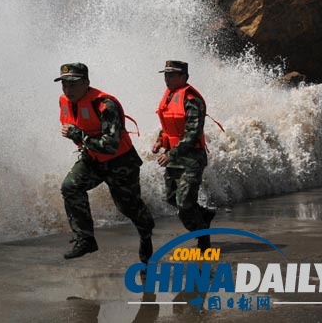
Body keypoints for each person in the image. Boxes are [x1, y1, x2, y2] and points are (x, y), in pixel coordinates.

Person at [57, 63, 155, 262]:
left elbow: (110, 146)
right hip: (92, 158)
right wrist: (80, 139)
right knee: (70, 187)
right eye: (64, 84)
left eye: (73, 84)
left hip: (120, 162)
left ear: (86, 83)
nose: (68, 89)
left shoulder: (105, 105)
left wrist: (78, 135)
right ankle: (85, 239)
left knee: (128, 208)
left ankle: (146, 232)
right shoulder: (65, 101)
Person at [152, 60, 216, 250]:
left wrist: (171, 154)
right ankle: (205, 215)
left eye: (172, 75)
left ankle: (203, 238)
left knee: (185, 204)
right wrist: (160, 141)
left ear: (183, 77)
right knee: (172, 198)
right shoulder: (170, 96)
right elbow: (169, 125)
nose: (167, 79)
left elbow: (192, 133)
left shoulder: (192, 100)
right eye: (166, 75)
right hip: (174, 157)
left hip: (191, 158)